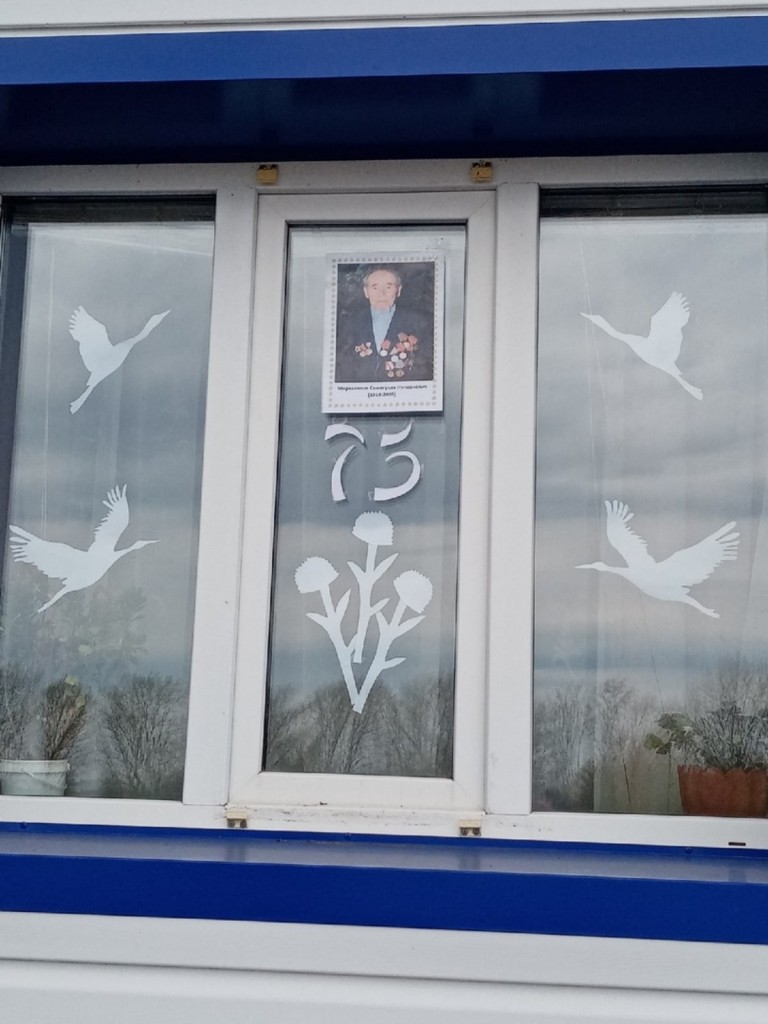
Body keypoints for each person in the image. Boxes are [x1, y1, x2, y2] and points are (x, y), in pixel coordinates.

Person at [335, 266, 433, 383]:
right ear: (366, 292)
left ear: (398, 290)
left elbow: (425, 368)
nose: (382, 294)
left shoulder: (419, 323)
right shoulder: (349, 323)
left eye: (388, 287)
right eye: (375, 287)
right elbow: (342, 367)